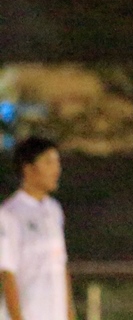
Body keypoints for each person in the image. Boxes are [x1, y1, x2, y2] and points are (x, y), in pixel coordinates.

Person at [0, 137, 76, 320]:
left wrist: (69, 313)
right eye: (48, 162)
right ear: (28, 168)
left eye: (57, 162)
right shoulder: (10, 214)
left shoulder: (54, 209)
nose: (56, 169)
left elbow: (60, 266)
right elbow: (7, 273)